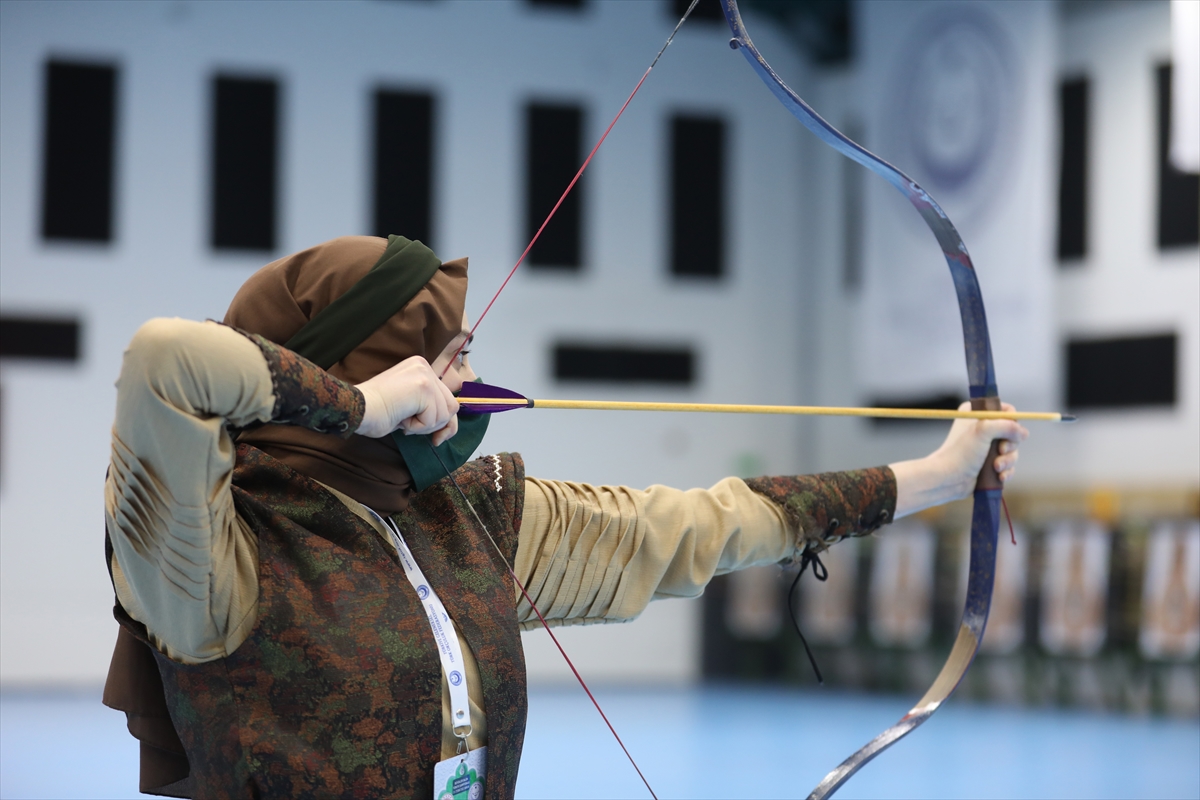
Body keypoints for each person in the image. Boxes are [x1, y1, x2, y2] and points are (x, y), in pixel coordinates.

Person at [102, 235, 1027, 799]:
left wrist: (941, 476)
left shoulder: (473, 519)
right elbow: (163, 361)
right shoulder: (212, 547)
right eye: (442, 359)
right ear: (376, 363)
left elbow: (708, 524)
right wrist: (360, 411)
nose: (461, 385)